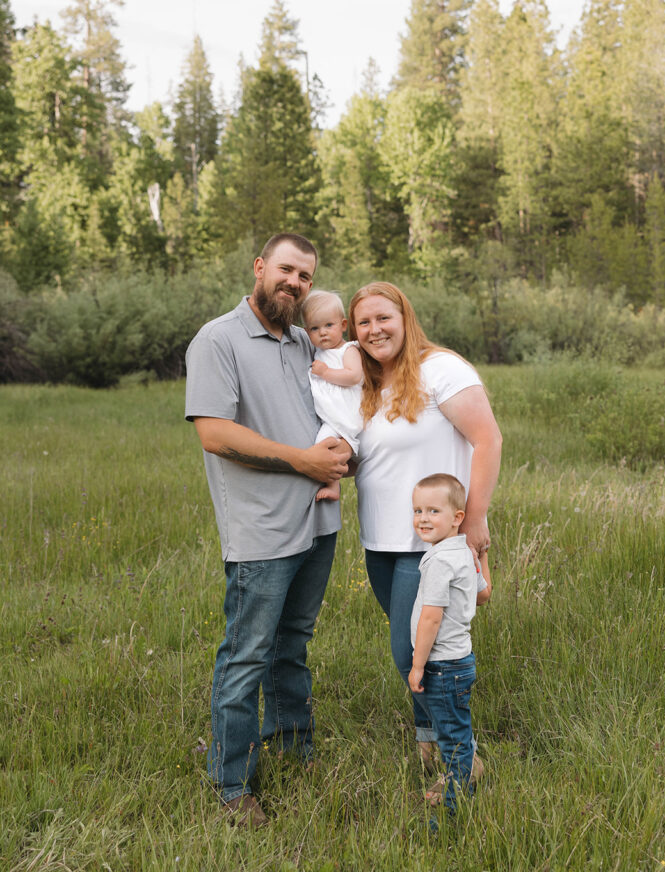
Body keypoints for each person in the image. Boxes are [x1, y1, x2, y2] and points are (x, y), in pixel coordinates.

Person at [185, 233, 351, 828]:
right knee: (246, 653)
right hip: (261, 530)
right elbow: (215, 434)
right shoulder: (219, 338)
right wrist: (304, 461)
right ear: (259, 267)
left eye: (306, 276)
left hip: (317, 521)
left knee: (294, 643)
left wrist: (342, 451)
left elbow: (340, 407)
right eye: (286, 270)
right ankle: (232, 783)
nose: (295, 283)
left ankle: (292, 747)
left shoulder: (306, 340)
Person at [348, 281, 502, 772]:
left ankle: (465, 759)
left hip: (431, 545)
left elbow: (488, 439)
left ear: (404, 317)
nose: (375, 330)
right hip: (381, 543)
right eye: (364, 323)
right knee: (413, 649)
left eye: (383, 318)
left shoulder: (441, 369)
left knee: (416, 651)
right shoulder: (370, 384)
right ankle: (428, 745)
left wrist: (473, 520)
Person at [408, 473, 492, 816]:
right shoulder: (461, 553)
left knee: (452, 738)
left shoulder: (441, 561)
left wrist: (417, 664)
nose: (423, 518)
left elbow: (431, 618)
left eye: (433, 511)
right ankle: (461, 782)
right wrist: (481, 555)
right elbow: (484, 594)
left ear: (458, 518)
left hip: (442, 666)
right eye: (417, 511)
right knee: (457, 726)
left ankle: (454, 807)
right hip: (461, 662)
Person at [301, 290, 364, 501]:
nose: (323, 333)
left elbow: (354, 376)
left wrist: (326, 373)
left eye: (329, 325)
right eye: (315, 328)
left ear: (343, 325)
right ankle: (333, 485)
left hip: (346, 411)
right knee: (322, 445)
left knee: (328, 447)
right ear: (306, 332)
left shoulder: (348, 350)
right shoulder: (317, 353)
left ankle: (333, 485)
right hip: (330, 416)